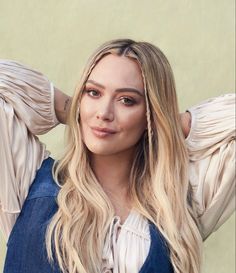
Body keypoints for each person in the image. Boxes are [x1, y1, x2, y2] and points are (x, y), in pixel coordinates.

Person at [0, 39, 235, 273]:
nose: (103, 113)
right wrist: (72, 110)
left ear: (150, 113)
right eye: (93, 93)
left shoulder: (177, 205)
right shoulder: (27, 182)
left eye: (127, 100)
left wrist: (168, 124)